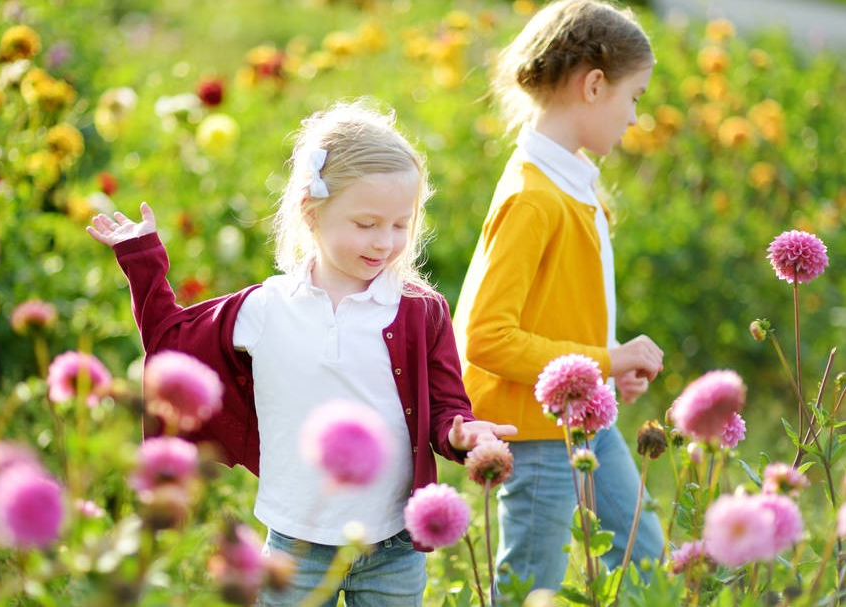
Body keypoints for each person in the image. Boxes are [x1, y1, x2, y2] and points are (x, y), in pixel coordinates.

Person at [88, 100, 516, 606]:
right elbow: (170, 343)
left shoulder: (420, 312)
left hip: (393, 545)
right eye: (366, 223)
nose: (385, 242)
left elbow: (446, 406)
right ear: (312, 214)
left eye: (401, 224)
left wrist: (461, 431)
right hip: (296, 545)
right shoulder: (266, 309)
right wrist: (143, 263)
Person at [451, 0, 666, 593]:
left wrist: (606, 360)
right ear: (594, 85)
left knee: (649, 562)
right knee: (529, 589)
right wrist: (607, 361)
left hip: (584, 420)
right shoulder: (533, 196)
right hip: (537, 435)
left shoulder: (572, 181)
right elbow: (488, 338)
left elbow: (556, 308)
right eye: (635, 96)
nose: (634, 116)